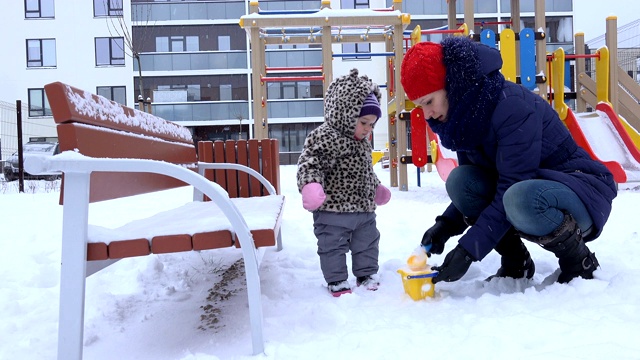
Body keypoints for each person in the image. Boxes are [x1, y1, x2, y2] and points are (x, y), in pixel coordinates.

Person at [400, 36, 617, 285]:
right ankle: (517, 262)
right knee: (461, 181)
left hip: (581, 192)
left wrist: (468, 251)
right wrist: (445, 227)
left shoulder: (511, 107)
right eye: (419, 106)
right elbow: (478, 186)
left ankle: (579, 262)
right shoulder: (463, 118)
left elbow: (511, 185)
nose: (427, 114)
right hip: (530, 191)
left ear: (453, 85)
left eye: (429, 101)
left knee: (519, 197)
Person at [296, 68, 391, 297]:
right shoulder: (325, 136)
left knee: (368, 242)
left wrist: (375, 187)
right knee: (332, 246)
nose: (368, 129)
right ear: (345, 114)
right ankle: (337, 280)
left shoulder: (363, 144)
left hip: (364, 210)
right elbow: (310, 163)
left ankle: (367, 273)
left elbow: (365, 171)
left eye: (372, 124)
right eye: (364, 122)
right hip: (333, 210)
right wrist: (311, 185)